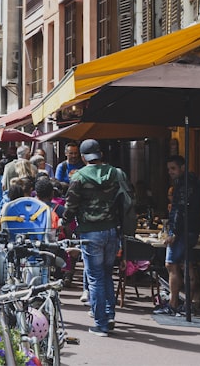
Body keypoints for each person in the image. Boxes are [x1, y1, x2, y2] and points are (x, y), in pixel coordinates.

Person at [62, 138, 132, 337]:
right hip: (112, 231)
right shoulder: (116, 173)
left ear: (83, 157)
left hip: (90, 232)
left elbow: (71, 206)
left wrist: (64, 221)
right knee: (107, 273)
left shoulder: (79, 176)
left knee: (95, 277)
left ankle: (100, 323)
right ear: (100, 154)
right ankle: (109, 315)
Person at [154, 155, 200, 316]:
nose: (170, 172)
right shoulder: (195, 182)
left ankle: (173, 303)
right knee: (188, 265)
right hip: (192, 229)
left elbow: (179, 209)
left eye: (173, 168)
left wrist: (174, 231)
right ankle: (189, 304)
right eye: (169, 169)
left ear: (182, 167)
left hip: (182, 231)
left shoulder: (182, 185)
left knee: (171, 265)